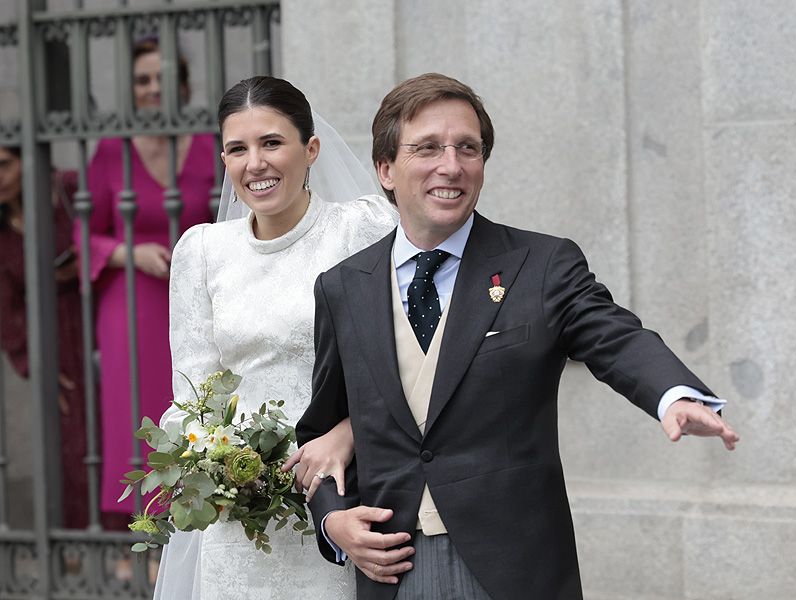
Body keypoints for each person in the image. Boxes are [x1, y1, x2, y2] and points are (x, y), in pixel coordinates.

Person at [296, 73, 740, 600]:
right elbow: (320, 439)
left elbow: (615, 336)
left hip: (514, 568)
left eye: (468, 148)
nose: (452, 165)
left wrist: (672, 394)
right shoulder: (343, 287)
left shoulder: (543, 265)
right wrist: (334, 524)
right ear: (386, 169)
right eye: (429, 148)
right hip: (391, 571)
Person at [153, 76, 397, 599]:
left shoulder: (361, 230)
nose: (255, 163)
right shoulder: (202, 251)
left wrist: (348, 431)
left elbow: (408, 362)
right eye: (237, 149)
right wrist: (210, 462)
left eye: (271, 143)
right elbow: (190, 392)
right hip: (237, 512)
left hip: (341, 494)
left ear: (310, 150)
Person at [77, 39, 216, 528]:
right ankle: (131, 534)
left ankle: (190, 524)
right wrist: (125, 252)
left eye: (163, 78)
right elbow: (80, 227)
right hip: (130, 304)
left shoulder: (207, 142)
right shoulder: (112, 150)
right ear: (131, 90)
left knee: (193, 410)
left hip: (197, 303)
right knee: (131, 414)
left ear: (183, 84)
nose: (154, 89)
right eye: (143, 80)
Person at [0, 146, 89, 529]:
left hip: (96, 318)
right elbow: (6, 310)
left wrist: (87, 259)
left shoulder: (68, 190)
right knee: (70, 445)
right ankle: (78, 542)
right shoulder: (2, 230)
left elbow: (104, 231)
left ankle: (132, 541)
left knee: (123, 428)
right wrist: (36, 363)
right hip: (54, 343)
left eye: (4, 165)